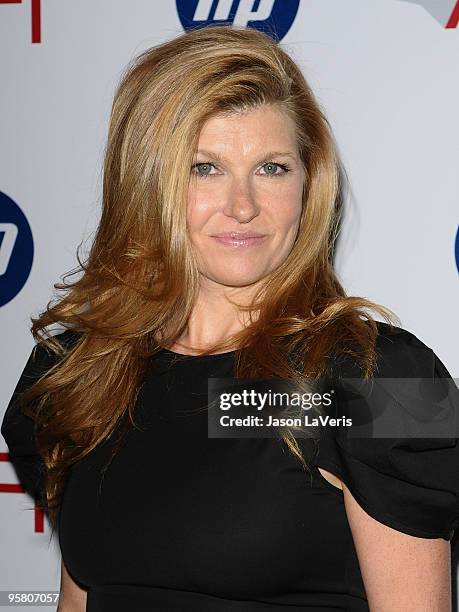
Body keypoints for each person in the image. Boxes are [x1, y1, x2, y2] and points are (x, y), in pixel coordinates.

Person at [2, 25, 458, 612]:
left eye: (272, 168)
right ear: (148, 185)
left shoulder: (386, 379)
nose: (243, 206)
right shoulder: (82, 370)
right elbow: (83, 596)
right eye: (204, 168)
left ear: (309, 181)